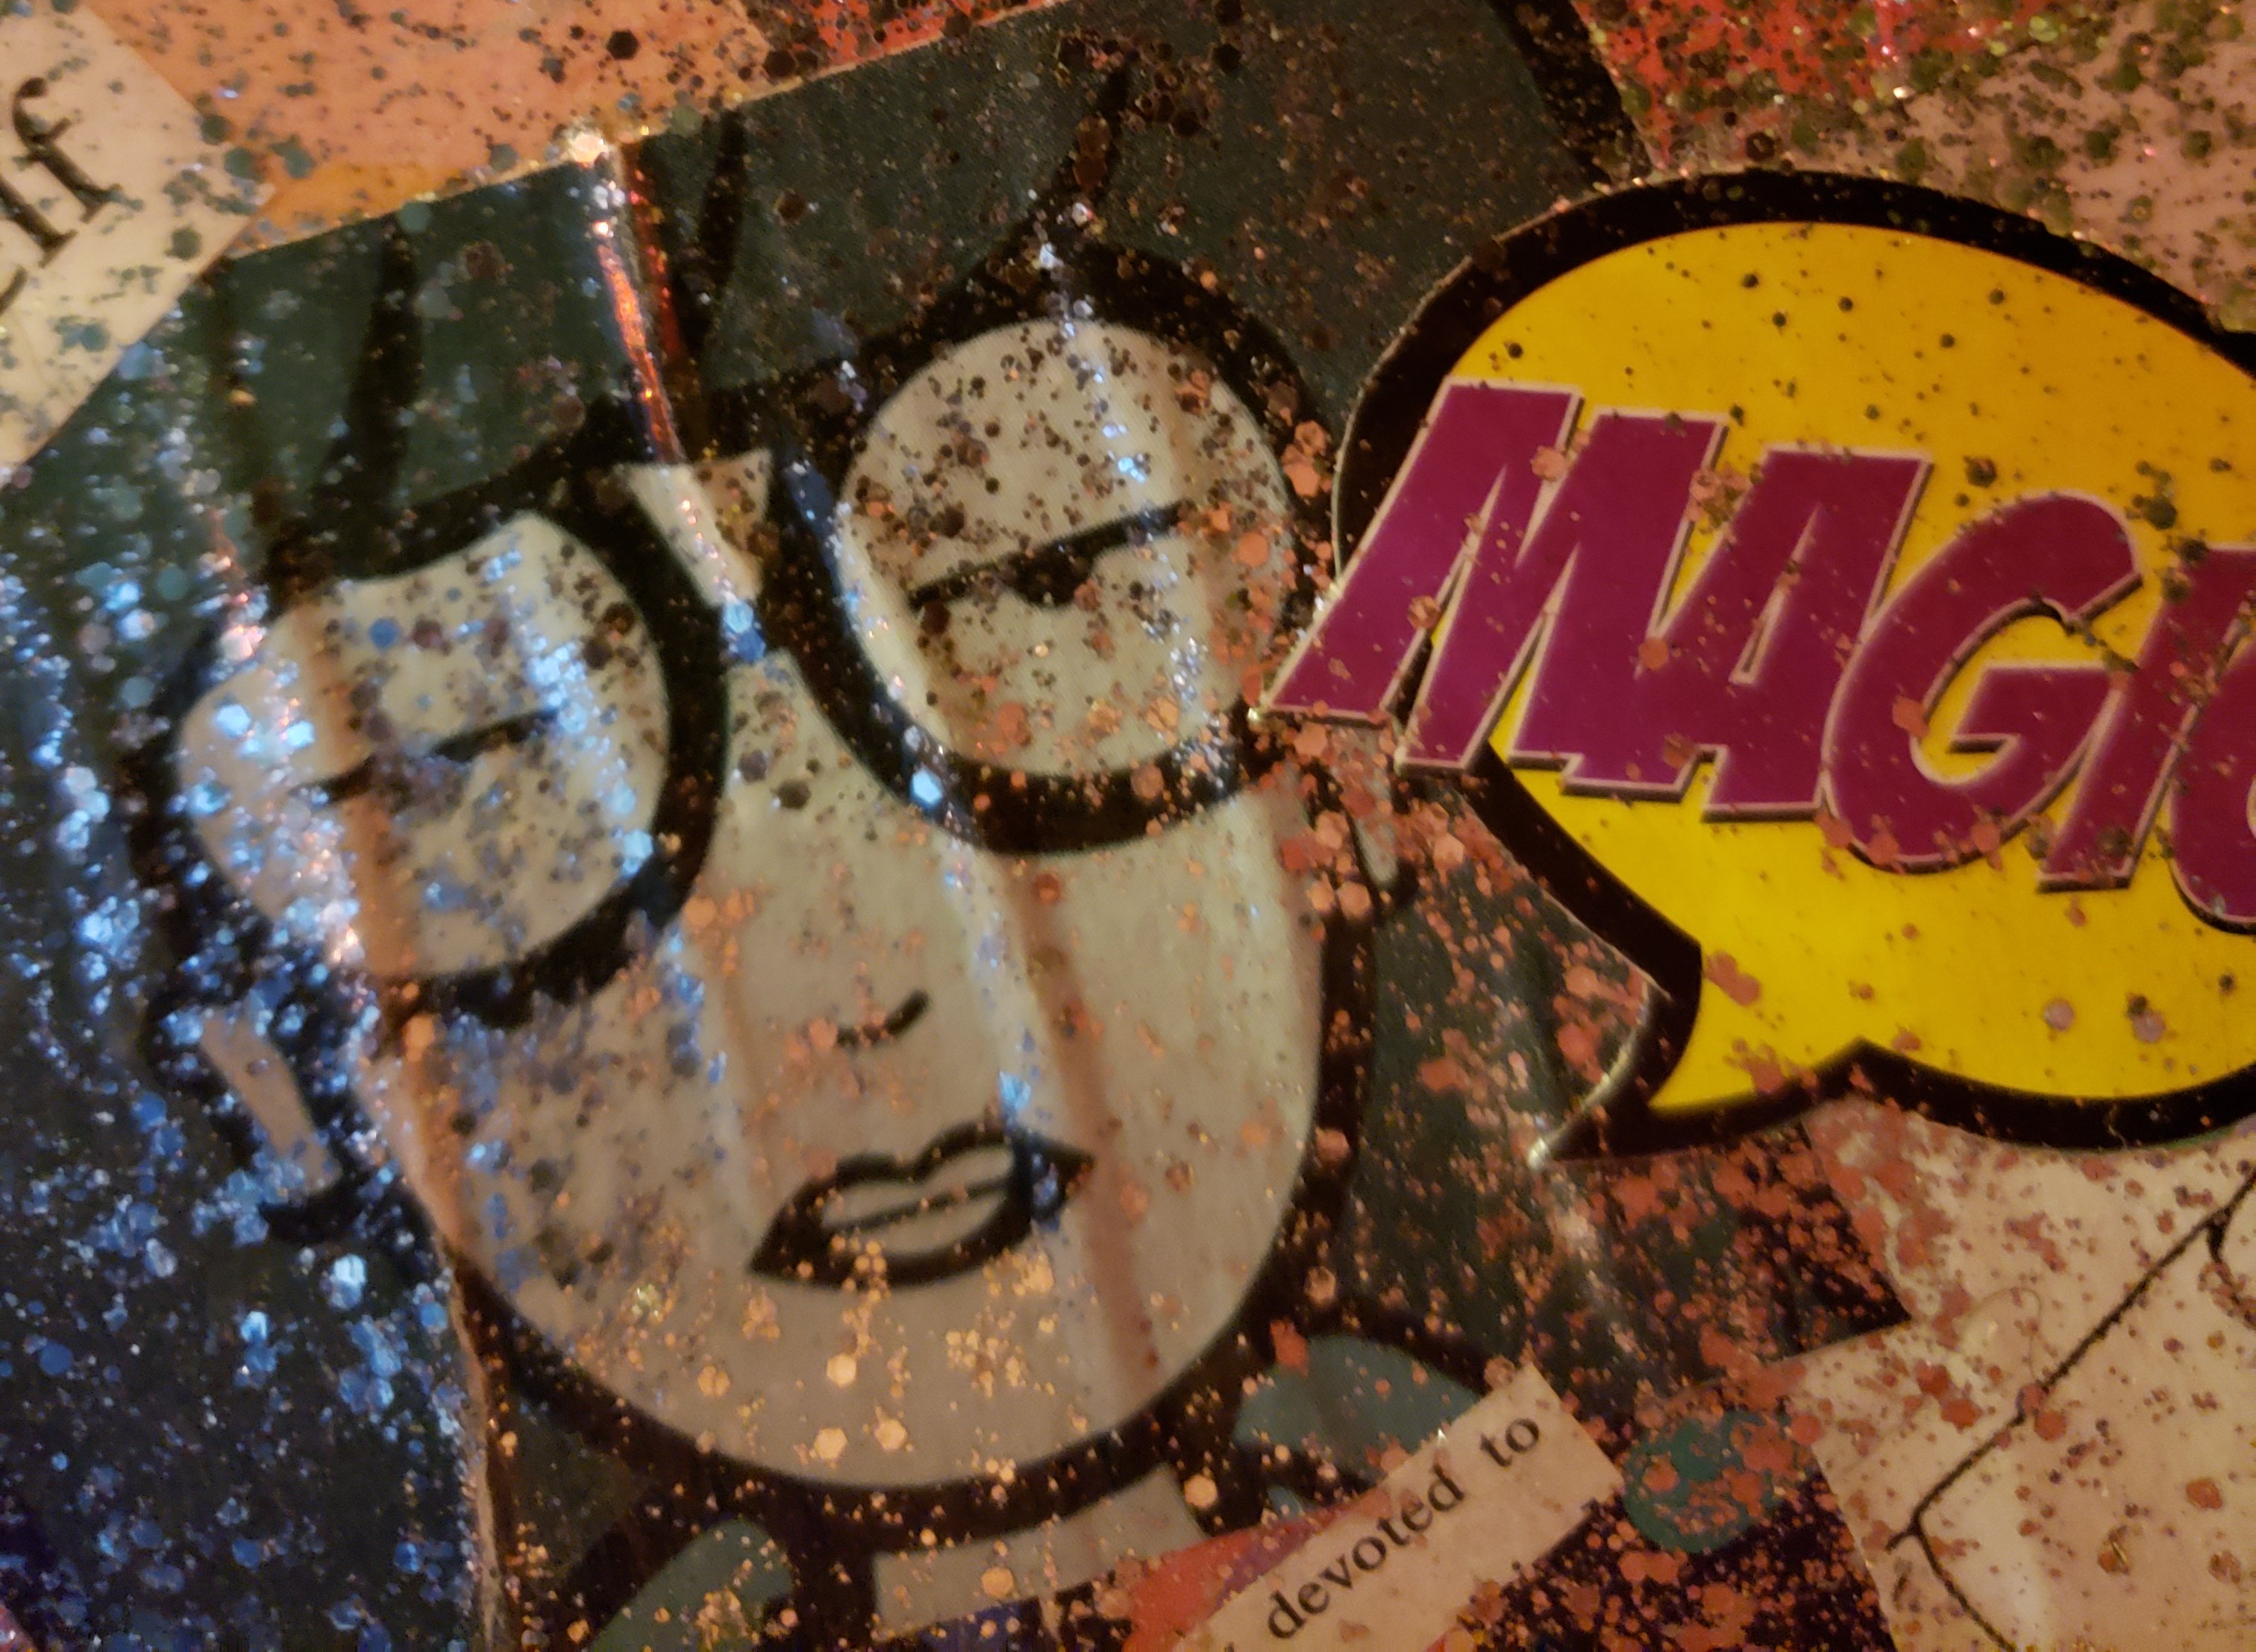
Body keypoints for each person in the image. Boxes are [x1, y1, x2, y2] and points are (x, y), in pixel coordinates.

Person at [137, 82, 1898, 1648]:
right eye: (475, 770)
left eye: (1047, 586)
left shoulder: (1721, 1508)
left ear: (1360, 780)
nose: (856, 986)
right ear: (283, 1084)